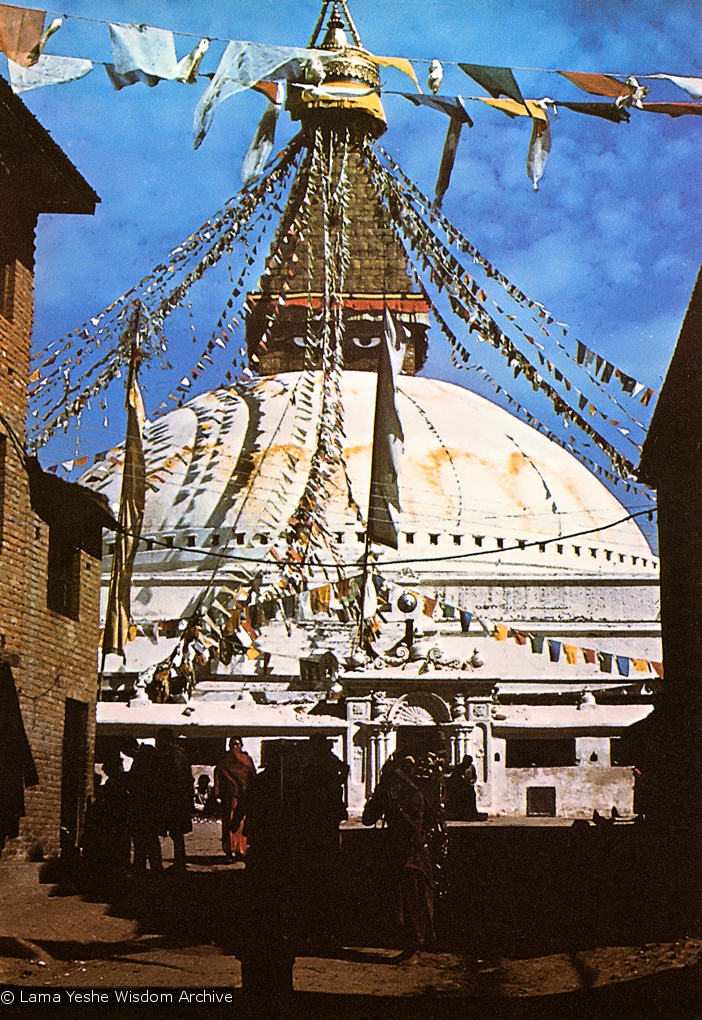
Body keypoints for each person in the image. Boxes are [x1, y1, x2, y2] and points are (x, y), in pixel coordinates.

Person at [362, 755, 436, 960]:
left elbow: (368, 819)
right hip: (418, 848)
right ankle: (419, 940)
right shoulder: (420, 788)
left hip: (398, 849)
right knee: (418, 895)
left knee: (402, 897)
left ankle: (412, 942)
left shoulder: (388, 789)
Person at [155, 728, 194, 872]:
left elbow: (178, 778)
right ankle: (180, 860)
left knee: (176, 831)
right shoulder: (177, 753)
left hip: (175, 799)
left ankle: (180, 861)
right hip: (177, 798)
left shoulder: (173, 755)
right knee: (175, 832)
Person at [125, 738, 163, 875]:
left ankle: (145, 866)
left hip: (144, 803)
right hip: (149, 803)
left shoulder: (144, 756)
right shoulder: (146, 754)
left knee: (142, 837)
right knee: (148, 837)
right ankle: (151, 866)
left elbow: (139, 778)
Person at [214, 737, 256, 860]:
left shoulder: (230, 760)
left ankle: (235, 850)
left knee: (234, 822)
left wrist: (217, 794)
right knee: (234, 822)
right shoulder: (240, 760)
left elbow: (252, 776)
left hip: (236, 796)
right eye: (233, 744)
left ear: (241, 745)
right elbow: (218, 776)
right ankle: (235, 850)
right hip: (236, 796)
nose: (234, 747)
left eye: (236, 744)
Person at [445, 754, 480, 821]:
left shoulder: (471, 767)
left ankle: (471, 814)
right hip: (460, 788)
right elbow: (454, 779)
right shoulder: (458, 768)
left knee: (471, 799)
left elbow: (474, 776)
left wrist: (472, 781)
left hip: (469, 787)